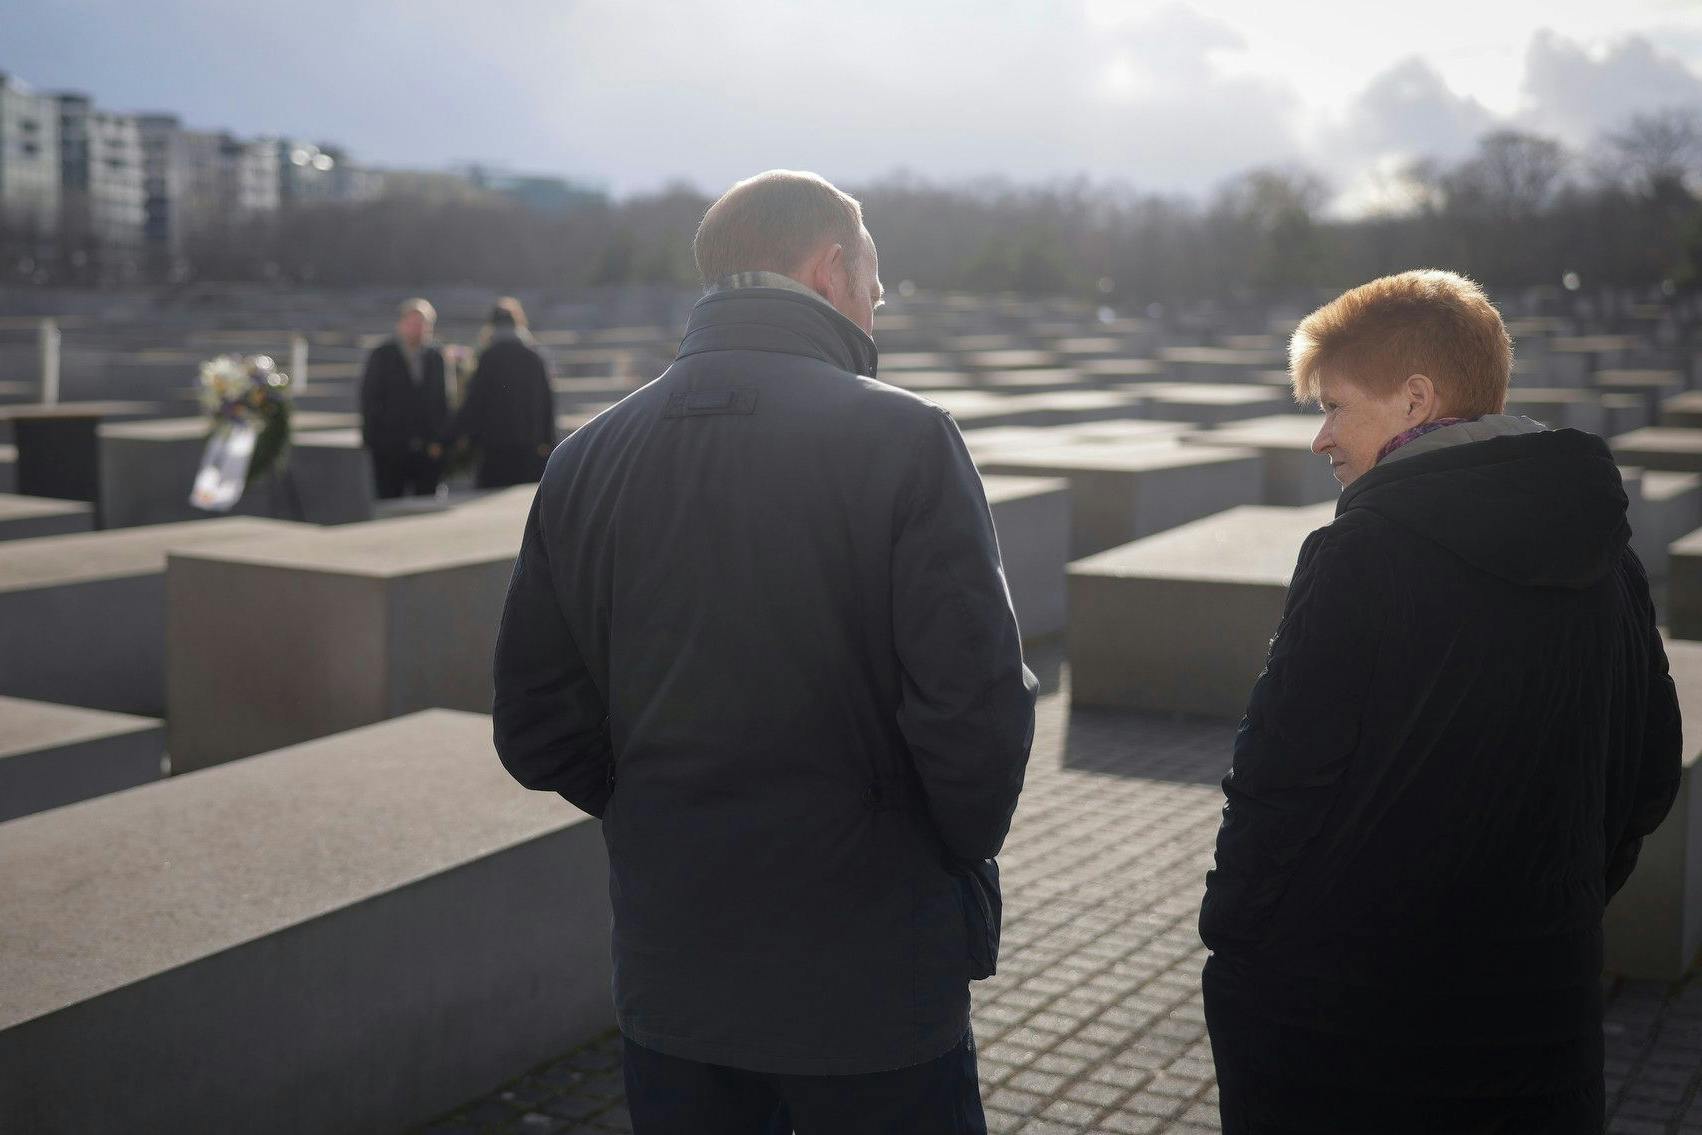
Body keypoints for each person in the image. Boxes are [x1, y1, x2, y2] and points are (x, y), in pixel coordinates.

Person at [492, 170, 1036, 1134]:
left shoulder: (584, 458)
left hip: (674, 976)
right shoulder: (907, 439)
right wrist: (927, 853)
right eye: (876, 276)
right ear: (831, 268)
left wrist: (658, 807)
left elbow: (537, 726)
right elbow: (977, 714)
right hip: (869, 983)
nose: (880, 301)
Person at [1199, 269, 1682, 1133]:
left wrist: (1234, 948)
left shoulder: (1361, 555)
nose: (1320, 438)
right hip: (1544, 1025)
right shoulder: (1611, 560)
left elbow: (1278, 786)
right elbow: (1646, 777)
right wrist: (1553, 904)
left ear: (1416, 399)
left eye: (1334, 405)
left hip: (1351, 1035)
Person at [444, 297, 557, 488]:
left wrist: (451, 437)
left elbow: (474, 402)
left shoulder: (488, 357)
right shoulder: (533, 357)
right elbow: (547, 402)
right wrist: (549, 440)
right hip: (528, 444)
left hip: (494, 446)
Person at [359, 297, 450, 499]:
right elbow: (369, 399)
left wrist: (440, 440)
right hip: (390, 449)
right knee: (389, 502)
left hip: (427, 449)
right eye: (413, 323)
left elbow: (442, 401)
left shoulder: (436, 358)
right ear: (401, 324)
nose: (418, 329)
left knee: (426, 503)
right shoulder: (382, 355)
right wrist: (373, 440)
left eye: (424, 325)